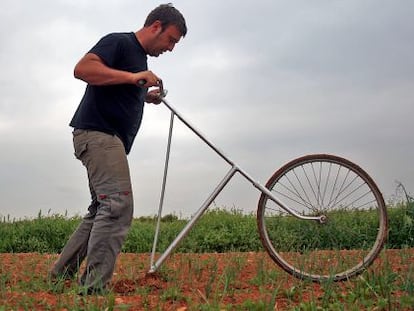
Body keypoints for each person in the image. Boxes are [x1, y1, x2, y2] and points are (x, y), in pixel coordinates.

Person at [49, 3, 187, 294]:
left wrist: (143, 95)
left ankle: (60, 275)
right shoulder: (120, 42)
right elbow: (83, 69)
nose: (171, 48)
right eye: (171, 40)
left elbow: (118, 85)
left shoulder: (137, 58)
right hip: (99, 135)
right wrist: (131, 77)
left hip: (103, 138)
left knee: (101, 208)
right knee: (117, 206)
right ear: (155, 26)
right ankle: (94, 289)